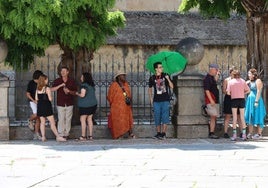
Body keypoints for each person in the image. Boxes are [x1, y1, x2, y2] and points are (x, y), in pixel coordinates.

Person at [35, 74, 66, 142]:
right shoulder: (47, 88)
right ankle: (58, 136)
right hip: (47, 106)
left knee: (42, 122)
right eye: (47, 79)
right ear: (44, 80)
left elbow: (36, 99)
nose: (47, 80)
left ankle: (43, 137)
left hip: (40, 106)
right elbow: (50, 99)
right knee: (52, 122)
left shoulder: (37, 89)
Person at [148, 62, 174, 139]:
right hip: (156, 100)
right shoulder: (152, 78)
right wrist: (151, 99)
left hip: (165, 99)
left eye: (162, 67)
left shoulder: (165, 75)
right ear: (156, 69)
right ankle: (158, 133)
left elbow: (172, 87)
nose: (161, 68)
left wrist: (168, 79)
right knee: (157, 117)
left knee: (165, 117)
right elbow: (149, 89)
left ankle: (163, 133)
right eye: (160, 67)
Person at [107, 70, 135, 139]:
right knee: (118, 121)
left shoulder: (126, 84)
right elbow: (110, 96)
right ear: (118, 77)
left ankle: (130, 133)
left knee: (127, 120)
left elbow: (129, 94)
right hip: (116, 107)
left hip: (126, 107)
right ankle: (119, 134)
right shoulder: (114, 85)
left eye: (124, 75)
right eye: (123, 75)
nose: (124, 77)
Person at [51, 66, 77, 139]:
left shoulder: (72, 81)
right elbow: (51, 89)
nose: (62, 72)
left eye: (64, 71)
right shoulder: (57, 81)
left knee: (68, 119)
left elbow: (75, 92)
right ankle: (61, 134)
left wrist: (69, 91)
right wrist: (60, 86)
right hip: (60, 102)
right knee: (61, 118)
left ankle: (66, 134)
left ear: (68, 72)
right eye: (61, 71)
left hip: (69, 102)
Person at [226, 69, 250, 141]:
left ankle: (234, 135)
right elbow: (248, 90)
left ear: (233, 75)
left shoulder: (230, 82)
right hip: (241, 99)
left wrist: (233, 93)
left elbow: (228, 93)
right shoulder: (243, 81)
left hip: (234, 100)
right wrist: (243, 93)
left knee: (235, 117)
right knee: (242, 117)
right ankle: (244, 135)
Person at [245, 68, 266, 139]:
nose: (248, 75)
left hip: (257, 100)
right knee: (250, 116)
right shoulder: (249, 82)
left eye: (249, 74)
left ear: (253, 75)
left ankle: (259, 133)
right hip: (250, 100)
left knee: (258, 115)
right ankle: (250, 133)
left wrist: (256, 101)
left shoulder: (258, 81)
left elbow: (259, 91)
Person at [76, 72, 98, 141]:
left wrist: (77, 93)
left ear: (85, 78)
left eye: (82, 77)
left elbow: (82, 95)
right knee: (89, 119)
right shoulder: (91, 85)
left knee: (82, 120)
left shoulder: (83, 86)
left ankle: (83, 136)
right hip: (93, 105)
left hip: (85, 106)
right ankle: (90, 136)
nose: (81, 78)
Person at [222, 67, 242, 138]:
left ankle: (242, 132)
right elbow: (224, 90)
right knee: (228, 115)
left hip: (236, 98)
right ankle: (225, 132)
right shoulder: (226, 80)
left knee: (239, 116)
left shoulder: (239, 80)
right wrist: (229, 92)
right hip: (229, 99)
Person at [203, 63, 220, 139]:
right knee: (213, 116)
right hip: (211, 100)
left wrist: (217, 75)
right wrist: (211, 100)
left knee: (214, 117)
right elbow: (207, 90)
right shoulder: (207, 78)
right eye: (216, 70)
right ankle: (211, 132)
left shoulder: (212, 77)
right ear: (212, 69)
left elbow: (215, 82)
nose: (217, 71)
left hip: (214, 100)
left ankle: (212, 132)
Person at [26, 70, 43, 140]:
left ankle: (36, 134)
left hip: (40, 101)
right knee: (36, 114)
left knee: (38, 117)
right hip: (32, 101)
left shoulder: (41, 83)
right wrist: (33, 100)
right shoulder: (31, 83)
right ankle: (30, 120)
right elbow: (27, 94)